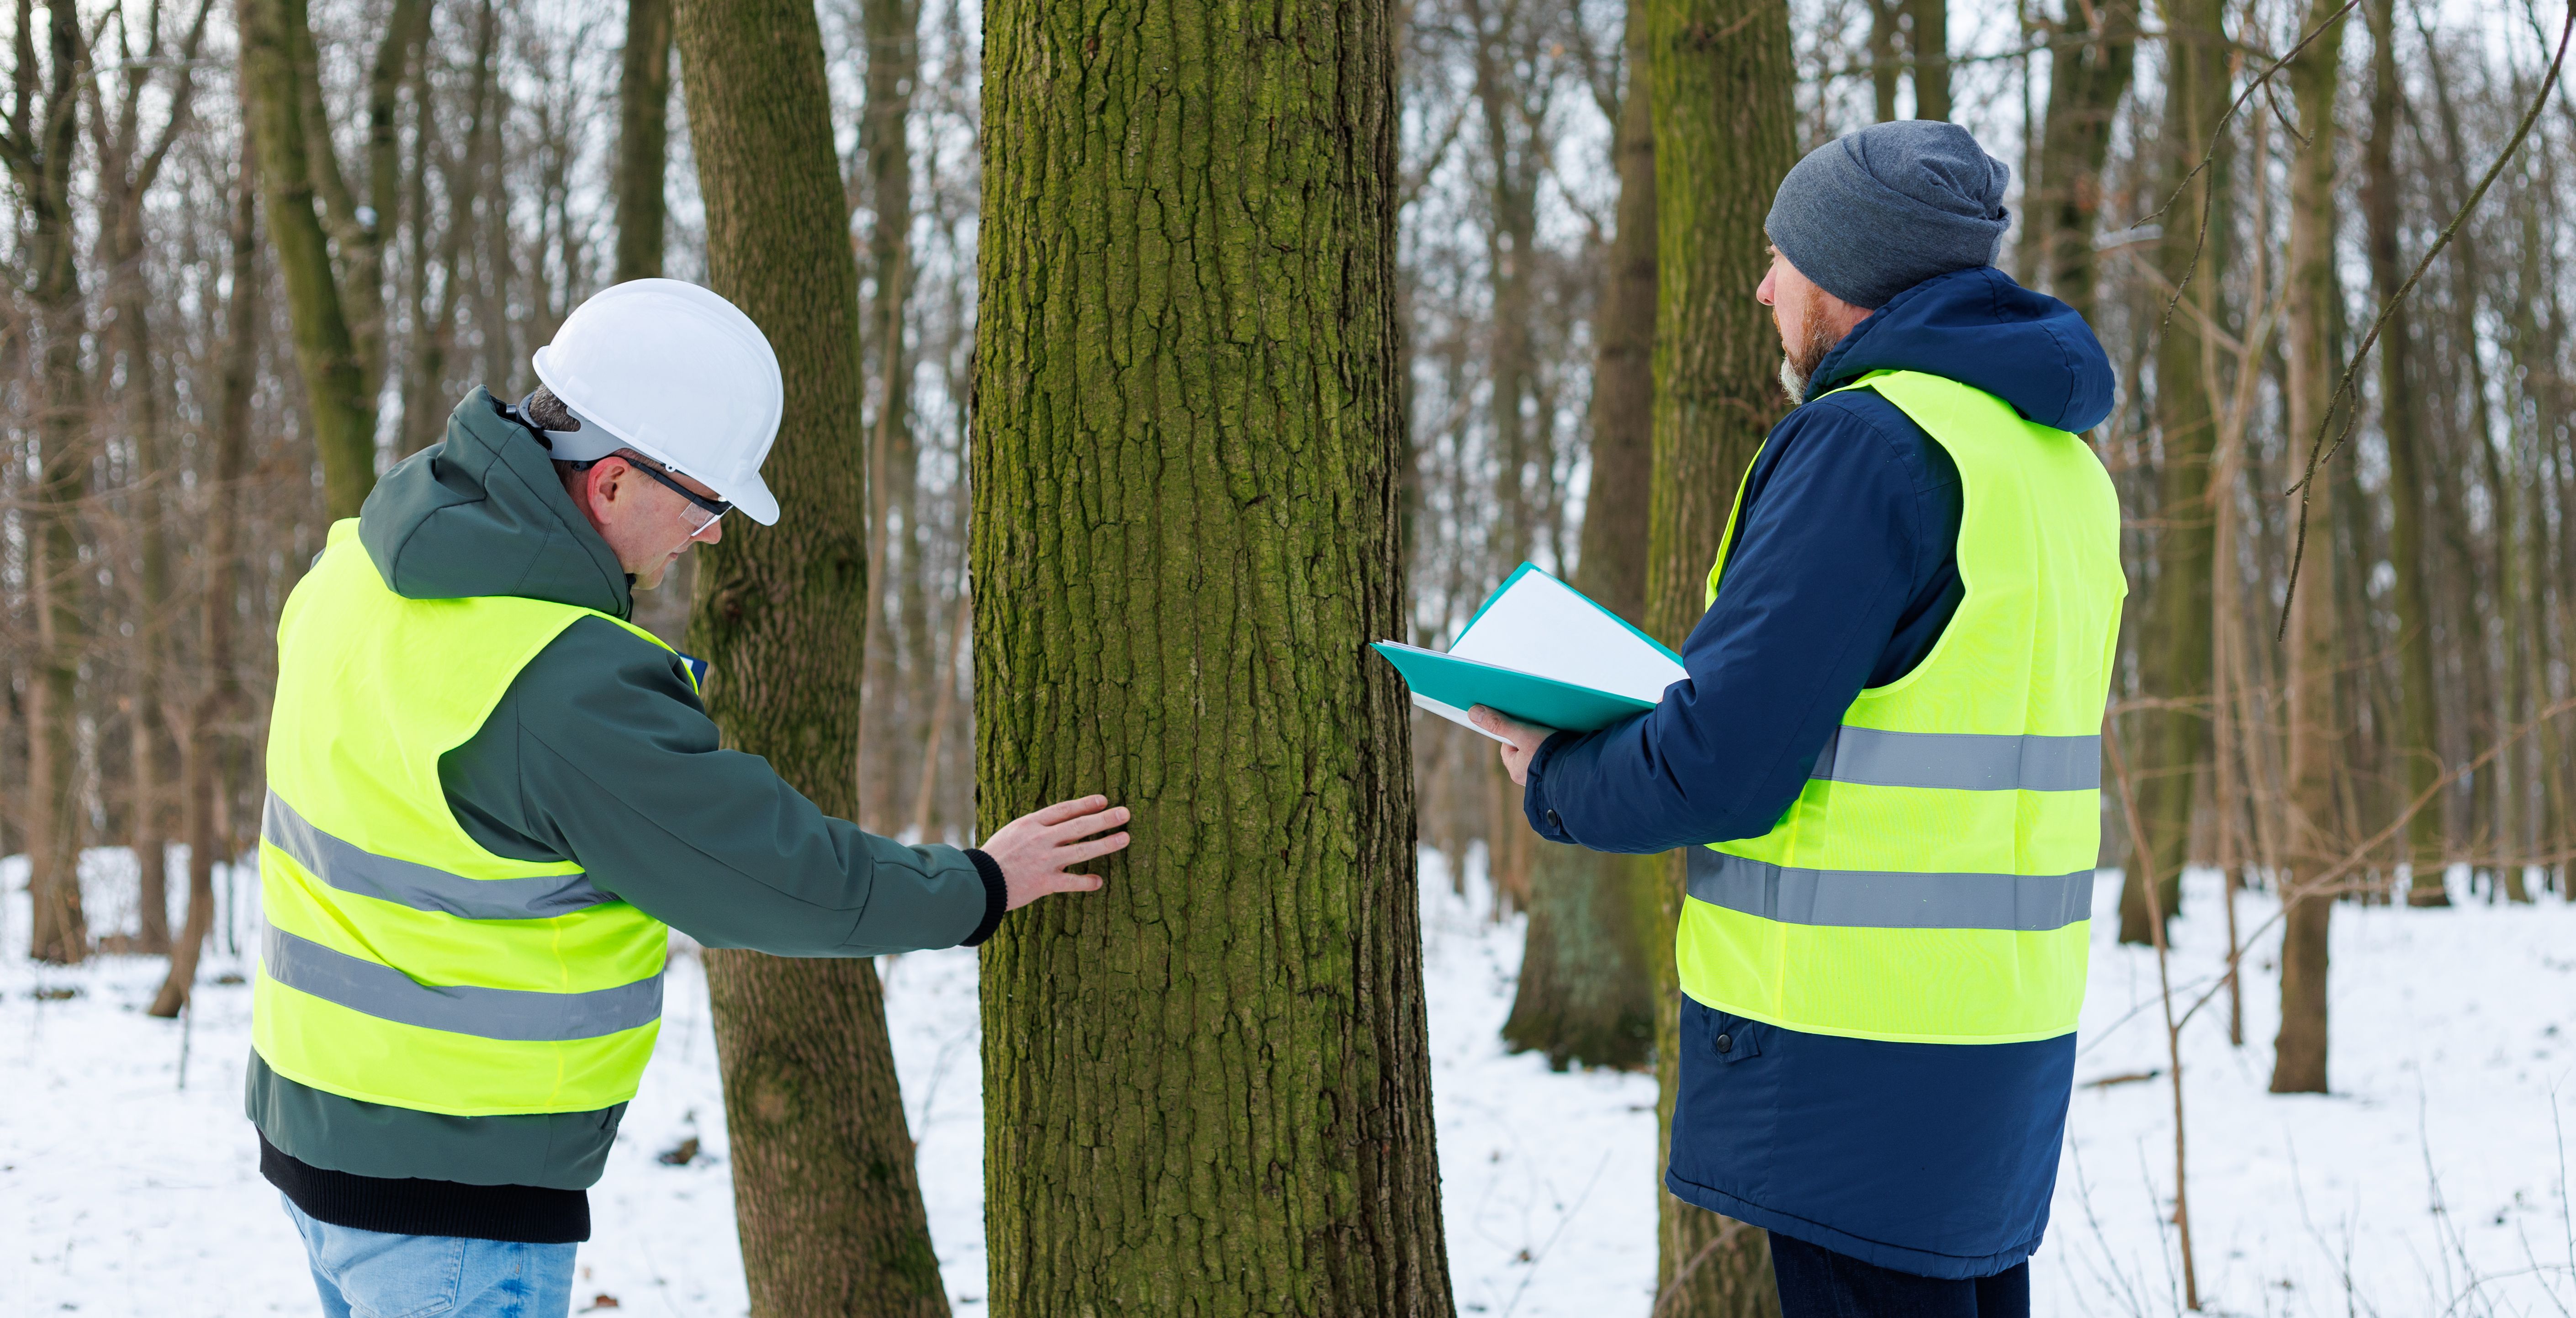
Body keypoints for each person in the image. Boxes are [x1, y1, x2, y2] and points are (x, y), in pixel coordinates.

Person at [249, 278, 1129, 1317]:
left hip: (318, 1130)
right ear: (613, 482)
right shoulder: (558, 680)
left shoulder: (358, 561)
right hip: (453, 1190)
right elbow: (766, 876)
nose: (712, 535)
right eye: (706, 501)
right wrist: (980, 884)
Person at [1471, 122, 2124, 1316]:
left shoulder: (1868, 443)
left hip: (1850, 1047)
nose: (1764, 285)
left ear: (1845, 275)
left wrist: (1552, 774)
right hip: (1998, 1035)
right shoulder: (2057, 461)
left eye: (1782, 257)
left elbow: (1725, 760)